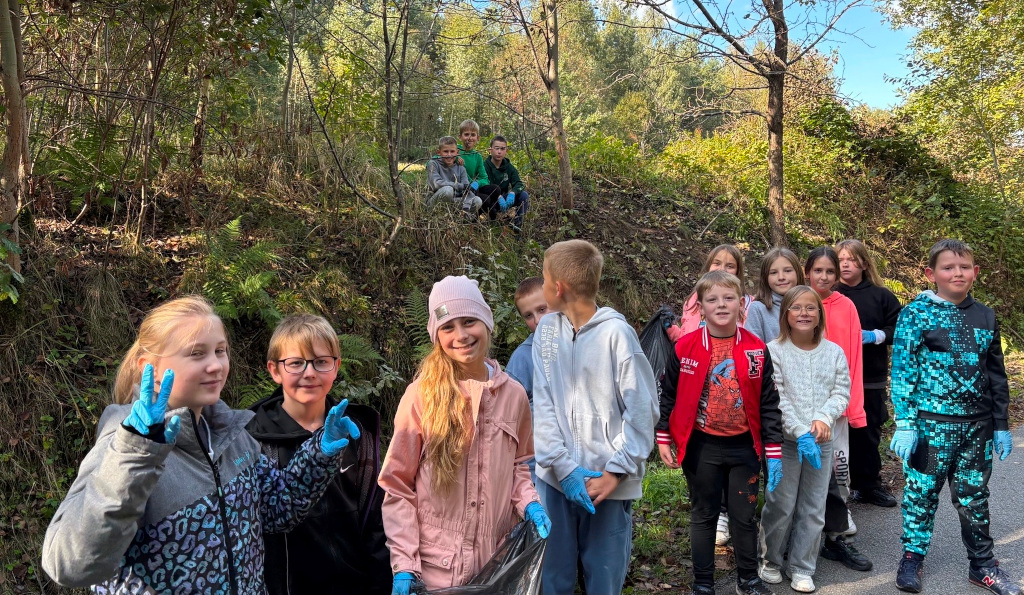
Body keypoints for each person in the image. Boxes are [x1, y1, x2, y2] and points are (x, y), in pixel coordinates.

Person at [41, 296, 359, 593]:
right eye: (197, 353)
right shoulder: (124, 444)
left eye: (220, 351)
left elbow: (277, 508)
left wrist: (320, 451)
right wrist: (136, 454)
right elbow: (71, 565)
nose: (216, 365)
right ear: (149, 367)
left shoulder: (231, 436)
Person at [379, 276, 550, 594]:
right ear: (437, 336)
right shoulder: (420, 396)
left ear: (486, 322)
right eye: (448, 327)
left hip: (495, 565)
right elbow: (397, 486)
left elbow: (519, 464)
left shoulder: (513, 395)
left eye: (469, 321)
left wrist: (530, 503)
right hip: (434, 571)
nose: (461, 335)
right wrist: (404, 565)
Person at [889, 239, 1019, 595]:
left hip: (976, 428)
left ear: (975, 272)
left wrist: (1001, 425)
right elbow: (903, 371)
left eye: (964, 267)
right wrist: (905, 422)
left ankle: (982, 566)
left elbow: (996, 375)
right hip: (931, 426)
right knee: (921, 493)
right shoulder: (916, 314)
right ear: (931, 274)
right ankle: (912, 558)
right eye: (948, 267)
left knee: (974, 497)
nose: (957, 273)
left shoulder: (986, 316)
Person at [532, 239, 659, 595]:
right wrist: (562, 466)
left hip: (608, 486)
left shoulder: (618, 335)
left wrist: (615, 472)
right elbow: (542, 404)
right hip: (555, 481)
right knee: (552, 578)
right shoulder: (546, 331)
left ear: (559, 287)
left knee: (604, 578)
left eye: (544, 279)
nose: (543, 286)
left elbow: (642, 412)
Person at [657, 270, 784, 595]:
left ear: (741, 304)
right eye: (712, 299)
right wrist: (663, 436)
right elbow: (668, 395)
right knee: (704, 515)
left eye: (729, 298)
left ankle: (748, 579)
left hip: (744, 448)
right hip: (701, 448)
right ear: (700, 307)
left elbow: (769, 402)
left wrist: (773, 449)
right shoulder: (685, 347)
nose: (721, 304)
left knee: (743, 518)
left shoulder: (756, 348)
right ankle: (703, 584)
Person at [247, 314, 391, 594]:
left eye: (321, 362)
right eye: (295, 363)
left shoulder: (355, 430)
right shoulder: (254, 437)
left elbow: (375, 518)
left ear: (336, 367)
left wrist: (381, 584)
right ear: (275, 370)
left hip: (355, 584)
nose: (310, 373)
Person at [758, 285, 851, 594]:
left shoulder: (834, 352)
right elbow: (777, 397)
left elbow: (841, 392)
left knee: (813, 506)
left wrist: (823, 418)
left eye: (811, 307)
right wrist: (799, 430)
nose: (804, 313)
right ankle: (770, 560)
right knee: (781, 504)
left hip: (820, 443)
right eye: (796, 308)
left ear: (819, 314)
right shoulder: (774, 350)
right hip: (786, 443)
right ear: (786, 314)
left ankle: (802, 566)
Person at [665, 243, 752, 546]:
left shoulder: (746, 303)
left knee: (732, 451)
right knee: (704, 456)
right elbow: (687, 336)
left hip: (731, 382)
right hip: (696, 380)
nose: (723, 269)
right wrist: (673, 331)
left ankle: (727, 513)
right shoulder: (694, 300)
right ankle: (710, 511)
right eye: (717, 263)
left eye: (730, 265)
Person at [804, 247, 872, 572]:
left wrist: (854, 406)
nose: (824, 277)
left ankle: (839, 514)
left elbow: (855, 357)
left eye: (830, 271)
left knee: (838, 464)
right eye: (817, 270)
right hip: (803, 404)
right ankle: (806, 526)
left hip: (838, 404)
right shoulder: (799, 302)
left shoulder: (846, 306)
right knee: (806, 466)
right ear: (807, 272)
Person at [835, 238, 902, 509]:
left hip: (870, 377)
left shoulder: (881, 296)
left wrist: (876, 335)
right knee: (837, 433)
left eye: (851, 259)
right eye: (840, 260)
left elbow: (900, 328)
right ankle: (837, 488)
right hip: (835, 378)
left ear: (863, 263)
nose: (845, 265)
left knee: (868, 432)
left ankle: (869, 485)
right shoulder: (828, 296)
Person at [505, 275, 549, 481]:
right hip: (537, 472)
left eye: (542, 309)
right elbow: (508, 418)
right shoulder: (522, 358)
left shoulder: (579, 344)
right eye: (528, 315)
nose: (537, 320)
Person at [745, 247, 804, 342]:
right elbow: (752, 346)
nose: (781, 277)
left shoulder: (810, 306)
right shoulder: (758, 309)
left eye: (787, 271)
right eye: (773, 272)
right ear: (765, 278)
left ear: (798, 272)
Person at [483, 135, 530, 228]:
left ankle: (517, 226)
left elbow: (519, 183)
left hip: (504, 200)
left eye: (502, 149)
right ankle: (489, 225)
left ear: (506, 151)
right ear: (490, 150)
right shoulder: (484, 166)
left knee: (524, 195)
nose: (499, 152)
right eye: (496, 148)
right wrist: (497, 196)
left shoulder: (509, 167)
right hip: (488, 201)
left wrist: (513, 193)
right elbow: (483, 184)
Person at [426, 135, 481, 215]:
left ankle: (462, 216)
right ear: (439, 152)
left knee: (477, 200)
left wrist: (466, 202)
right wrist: (459, 186)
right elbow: (436, 184)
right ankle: (438, 216)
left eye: (452, 151)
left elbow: (466, 189)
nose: (449, 155)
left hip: (455, 201)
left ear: (457, 152)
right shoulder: (433, 164)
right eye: (445, 151)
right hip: (435, 202)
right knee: (448, 190)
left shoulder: (461, 168)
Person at [457, 119, 501, 214]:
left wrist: (476, 183)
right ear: (460, 137)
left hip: (472, 187)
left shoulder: (477, 156)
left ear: (478, 138)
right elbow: (436, 158)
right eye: (466, 134)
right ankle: (473, 215)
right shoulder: (454, 149)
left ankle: (492, 212)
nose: (469, 138)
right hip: (460, 187)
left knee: (495, 189)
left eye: (473, 135)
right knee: (486, 199)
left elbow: (484, 178)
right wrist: (454, 157)